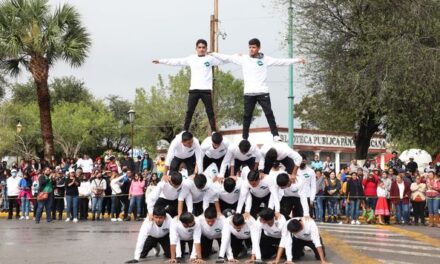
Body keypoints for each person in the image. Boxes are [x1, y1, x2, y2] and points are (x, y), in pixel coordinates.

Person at [211, 38, 306, 141]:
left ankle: (275, 135)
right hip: (249, 93)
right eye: (250, 47)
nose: (251, 49)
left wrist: (298, 60)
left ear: (259, 48)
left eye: (254, 47)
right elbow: (227, 58)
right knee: (247, 116)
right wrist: (213, 53)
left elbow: (281, 62)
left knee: (269, 113)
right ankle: (245, 138)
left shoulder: (265, 59)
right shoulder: (244, 58)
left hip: (262, 92)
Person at [153, 39, 224, 133]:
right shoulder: (191, 59)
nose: (201, 49)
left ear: (206, 49)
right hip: (194, 90)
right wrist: (161, 61)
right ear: (196, 48)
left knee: (210, 112)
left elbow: (224, 60)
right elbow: (176, 61)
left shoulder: (210, 59)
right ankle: (185, 130)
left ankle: (214, 131)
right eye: (199, 47)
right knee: (189, 112)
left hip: (206, 90)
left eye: (203, 47)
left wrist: (235, 57)